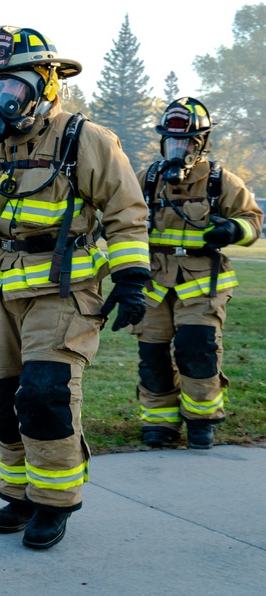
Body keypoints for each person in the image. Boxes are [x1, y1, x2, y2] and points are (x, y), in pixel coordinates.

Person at [0, 27, 151, 550]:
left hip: (64, 289)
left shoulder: (86, 139)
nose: (5, 98)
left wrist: (130, 278)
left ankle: (55, 503)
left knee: (44, 395)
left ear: (46, 84)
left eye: (15, 86)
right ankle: (19, 493)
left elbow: (126, 211)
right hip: (1, 290)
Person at [133, 97, 262, 449]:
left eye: (187, 141)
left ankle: (202, 420)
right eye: (172, 141)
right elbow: (123, 217)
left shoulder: (222, 180)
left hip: (203, 281)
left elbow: (254, 220)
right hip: (156, 281)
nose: (178, 148)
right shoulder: (149, 178)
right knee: (154, 355)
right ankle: (160, 422)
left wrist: (233, 230)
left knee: (196, 348)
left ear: (201, 143)